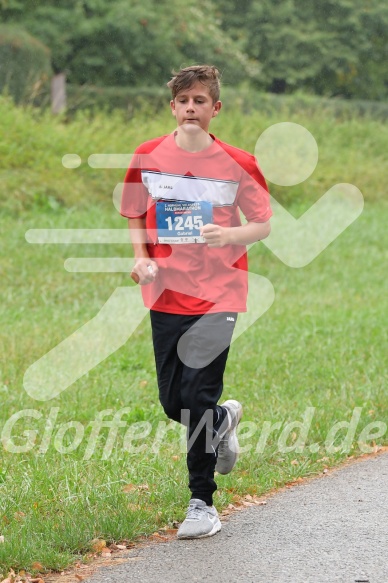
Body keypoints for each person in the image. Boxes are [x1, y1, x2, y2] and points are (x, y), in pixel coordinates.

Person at [121, 65, 272, 539]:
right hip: (165, 293)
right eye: (183, 100)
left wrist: (229, 233)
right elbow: (133, 214)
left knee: (197, 395)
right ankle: (224, 419)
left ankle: (201, 503)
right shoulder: (147, 156)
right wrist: (141, 260)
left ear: (215, 109)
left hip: (219, 292)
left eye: (200, 100)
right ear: (172, 107)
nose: (191, 107)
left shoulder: (239, 162)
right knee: (174, 401)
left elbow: (263, 223)